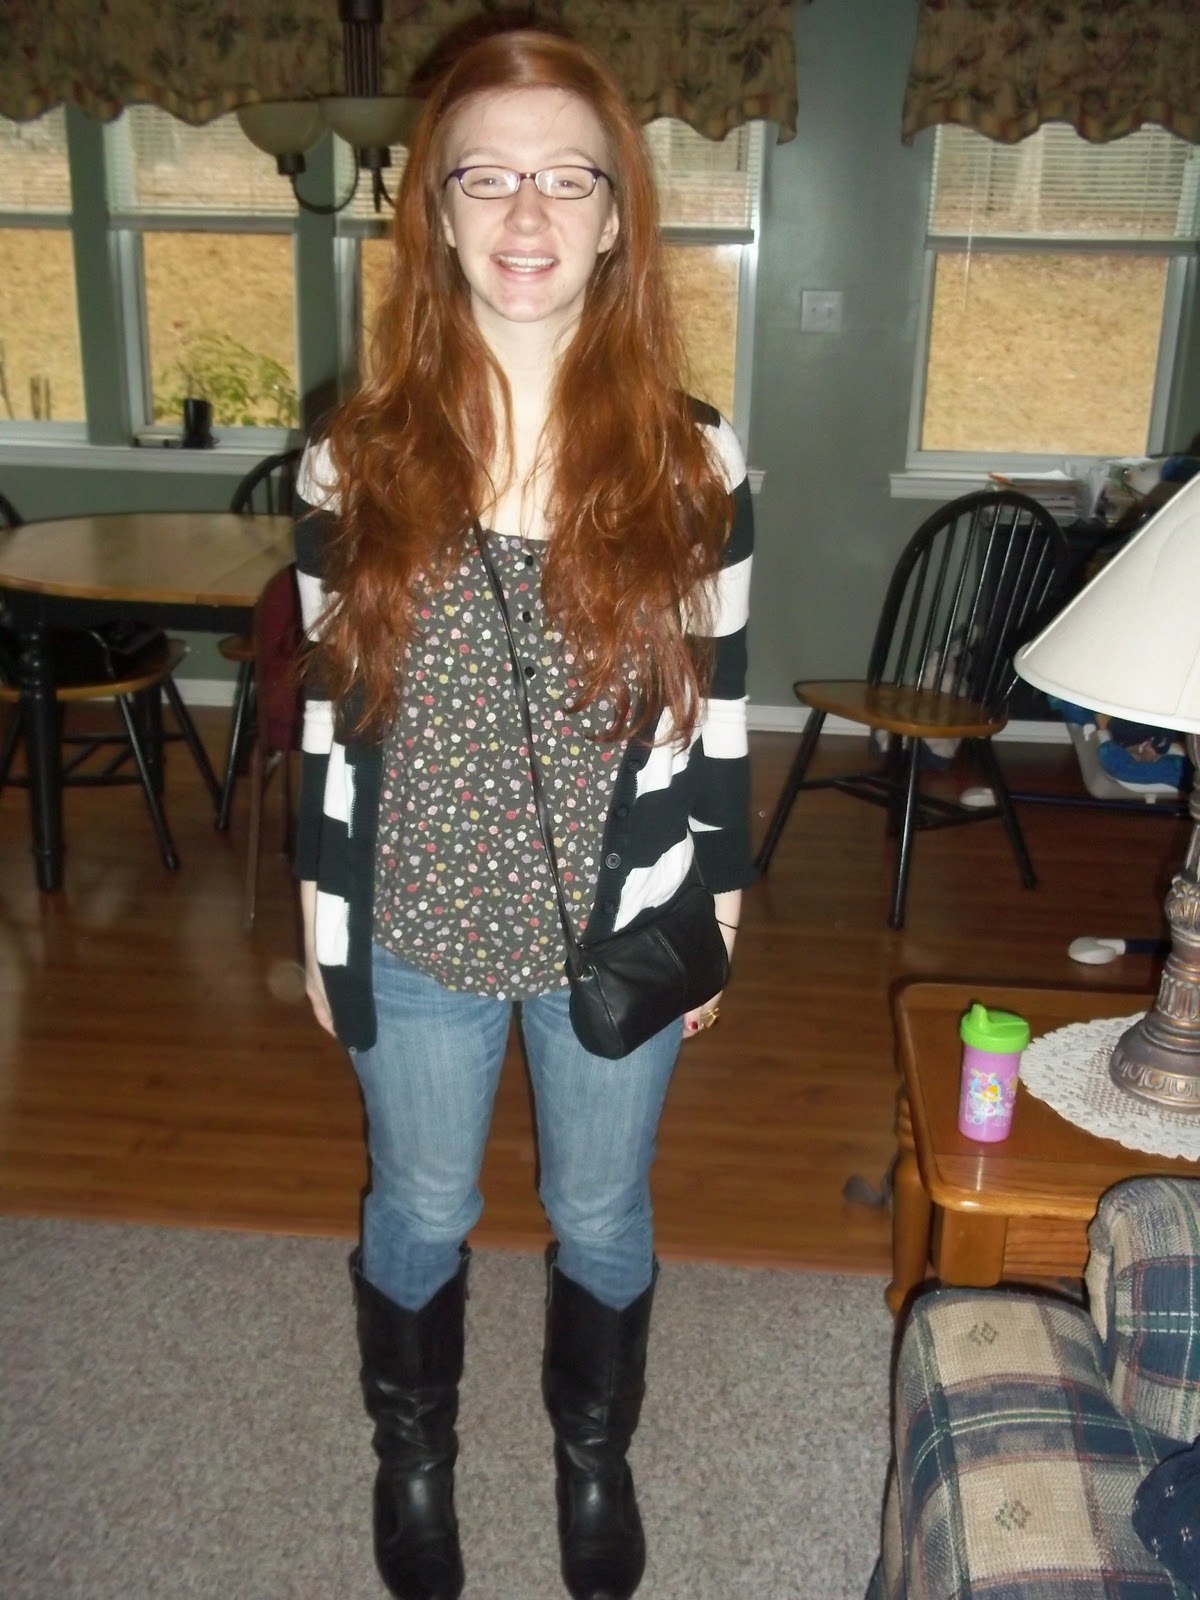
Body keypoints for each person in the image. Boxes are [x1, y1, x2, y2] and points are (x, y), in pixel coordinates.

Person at [292, 27, 755, 1600]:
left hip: (617, 926)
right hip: (414, 914)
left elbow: (721, 708)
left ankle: (592, 1457)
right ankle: (413, 1456)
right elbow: (327, 721)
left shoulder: (696, 460)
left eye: (568, 177)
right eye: (486, 178)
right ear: (435, 212)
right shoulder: (350, 462)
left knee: (599, 1208)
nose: (528, 213)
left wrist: (718, 916)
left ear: (619, 217)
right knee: (422, 1202)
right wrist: (323, 923)